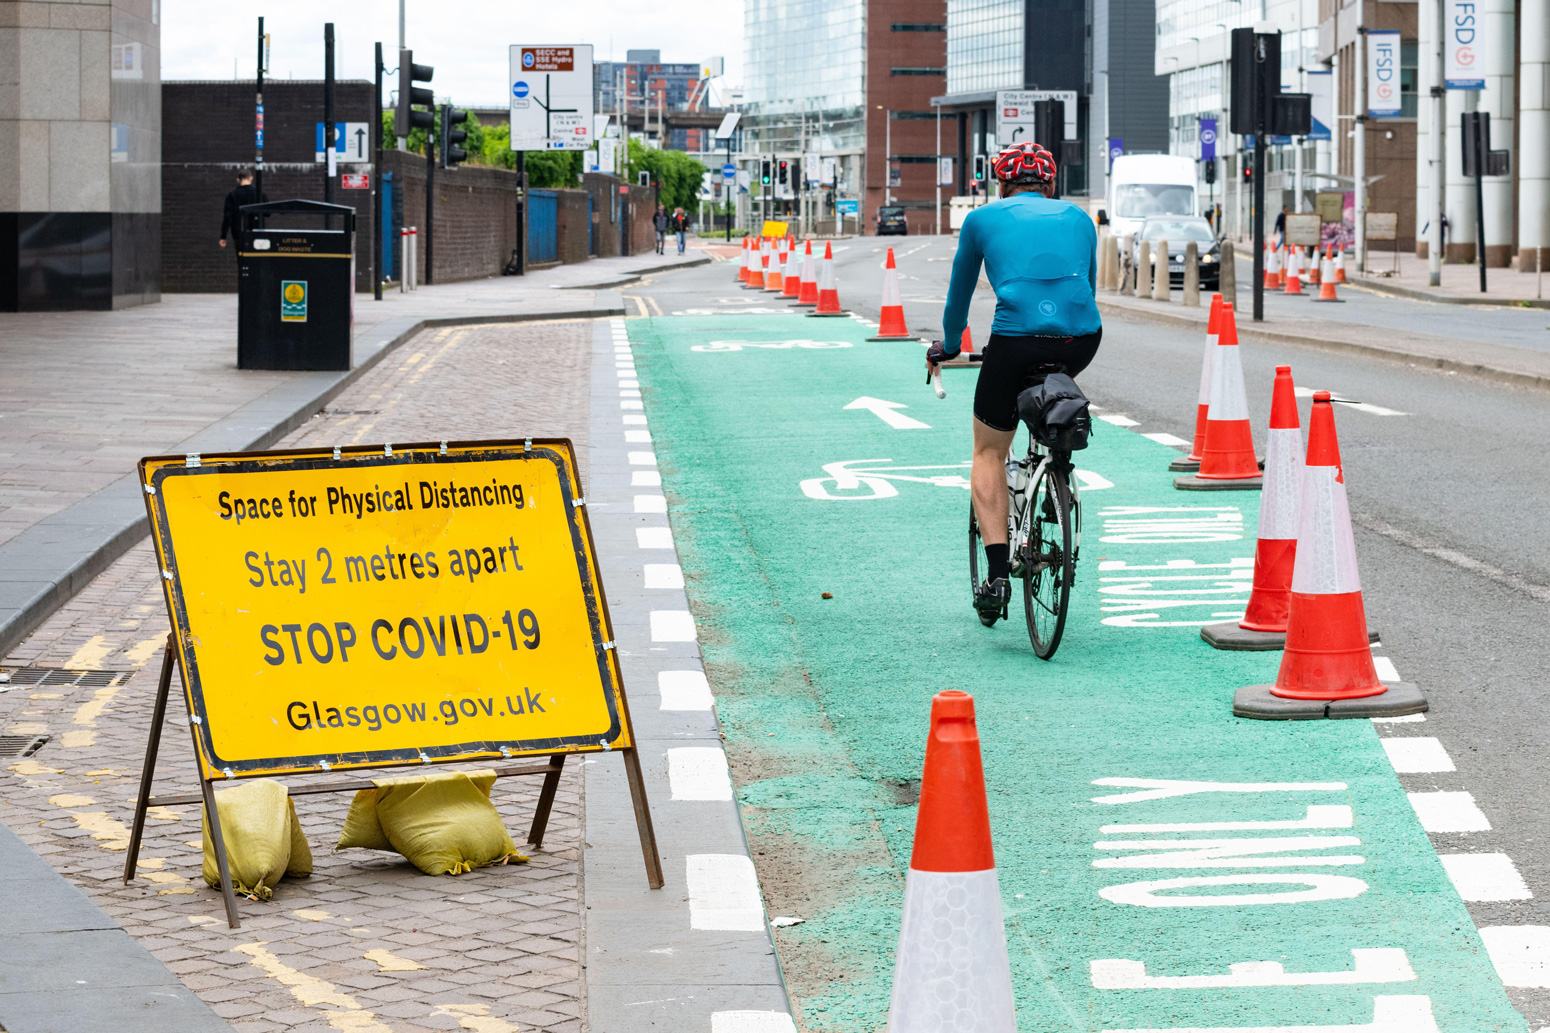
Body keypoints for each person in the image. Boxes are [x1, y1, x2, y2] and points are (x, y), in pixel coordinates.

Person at [926, 142, 1102, 623]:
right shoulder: (1081, 218)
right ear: (1051, 185)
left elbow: (958, 297)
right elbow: (1088, 285)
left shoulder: (982, 219)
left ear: (1001, 185)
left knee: (988, 452)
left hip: (1015, 341)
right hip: (1081, 339)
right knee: (1050, 387)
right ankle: (1055, 462)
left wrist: (949, 346)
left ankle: (999, 574)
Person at [218, 170, 266, 251]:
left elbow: (228, 217)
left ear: (238, 180)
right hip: (257, 231)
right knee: (256, 259)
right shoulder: (259, 194)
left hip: (238, 232)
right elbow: (267, 213)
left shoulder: (232, 195)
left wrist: (223, 236)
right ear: (251, 178)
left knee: (241, 258)